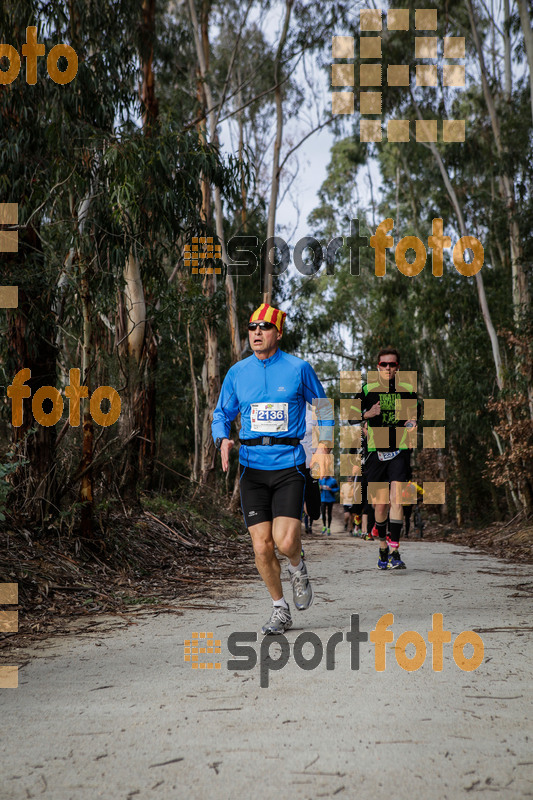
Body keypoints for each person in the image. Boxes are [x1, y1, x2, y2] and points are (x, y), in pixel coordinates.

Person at [212, 303, 333, 635]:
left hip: (289, 465)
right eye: (252, 327)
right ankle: (280, 609)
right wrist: (222, 438)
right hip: (252, 468)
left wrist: (323, 446)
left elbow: (323, 407)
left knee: (285, 540)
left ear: (278, 333)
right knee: (261, 545)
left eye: (264, 327)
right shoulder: (238, 373)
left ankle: (297, 565)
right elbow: (221, 412)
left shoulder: (298, 369)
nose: (257, 333)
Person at [358, 347, 419, 570]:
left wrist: (411, 423)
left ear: (398, 367)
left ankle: (395, 551)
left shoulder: (407, 390)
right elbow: (350, 415)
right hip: (376, 453)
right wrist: (368, 414)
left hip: (400, 450)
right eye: (384, 364)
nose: (388, 368)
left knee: (397, 498)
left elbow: (414, 416)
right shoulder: (367, 389)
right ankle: (383, 545)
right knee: (380, 506)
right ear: (378, 367)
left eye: (392, 364)